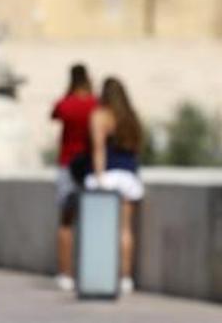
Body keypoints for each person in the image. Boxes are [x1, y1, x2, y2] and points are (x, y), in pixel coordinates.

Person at [84, 76, 145, 295]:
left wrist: (99, 178)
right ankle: (126, 278)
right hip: (128, 177)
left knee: (100, 231)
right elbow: (136, 149)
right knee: (125, 230)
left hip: (108, 175)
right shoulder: (131, 117)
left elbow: (98, 148)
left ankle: (101, 275)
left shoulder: (100, 116)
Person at [50, 63, 95, 291]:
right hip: (88, 166)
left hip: (67, 165)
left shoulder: (67, 104)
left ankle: (65, 273)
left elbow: (54, 113)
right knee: (92, 220)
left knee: (66, 221)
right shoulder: (94, 104)